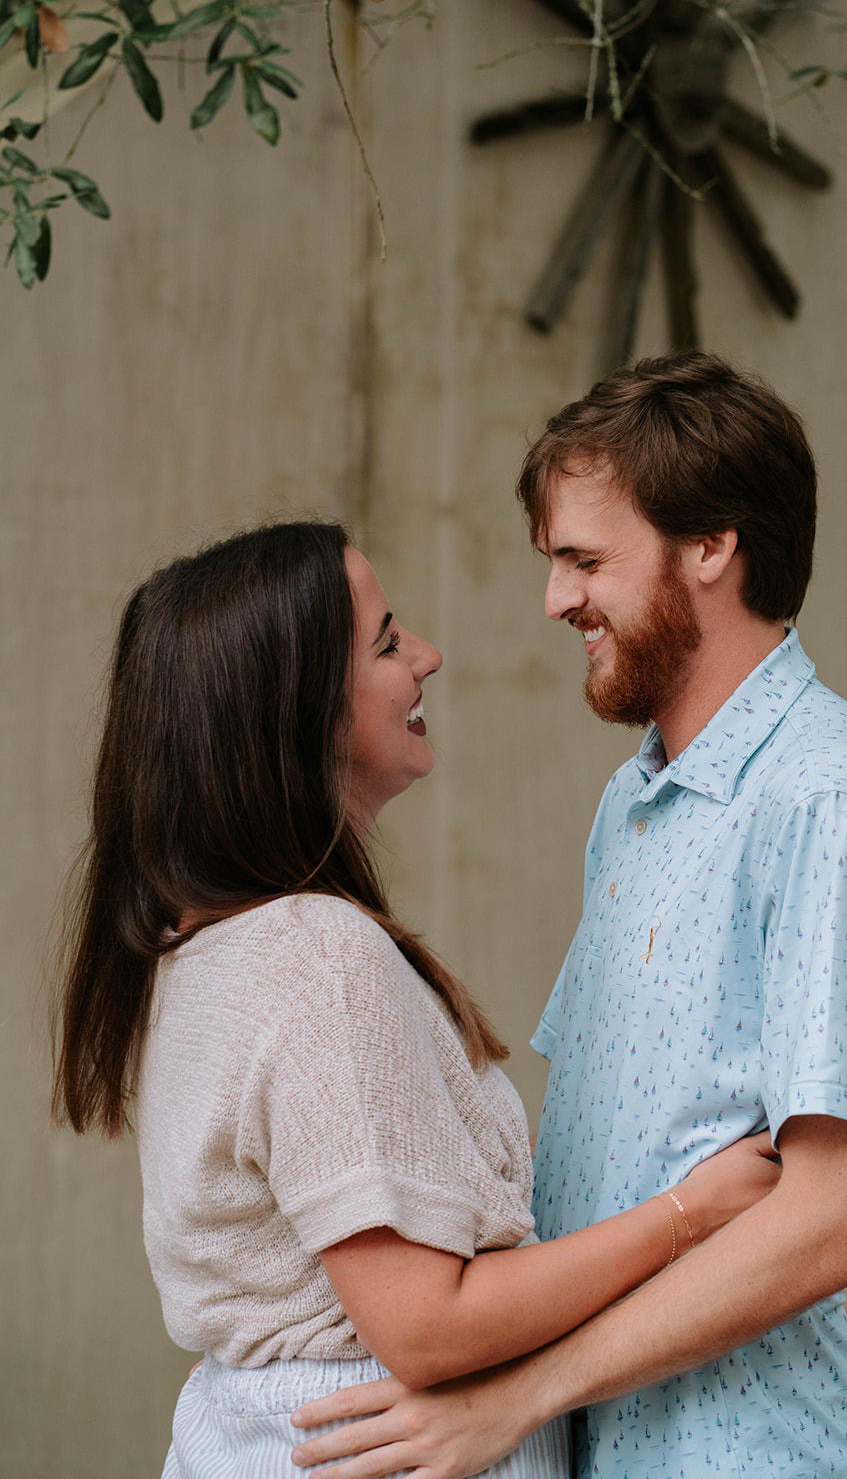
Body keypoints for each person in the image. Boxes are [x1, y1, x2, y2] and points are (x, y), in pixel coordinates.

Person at [288, 352, 847, 1478]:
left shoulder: (827, 798)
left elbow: (834, 1221)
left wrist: (519, 1395)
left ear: (710, 547)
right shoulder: (632, 801)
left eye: (584, 561)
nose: (555, 600)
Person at [50, 518, 783, 1478]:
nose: (427, 657)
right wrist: (689, 1212)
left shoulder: (200, 949)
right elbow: (428, 1327)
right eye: (388, 642)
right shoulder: (314, 956)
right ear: (298, 710)